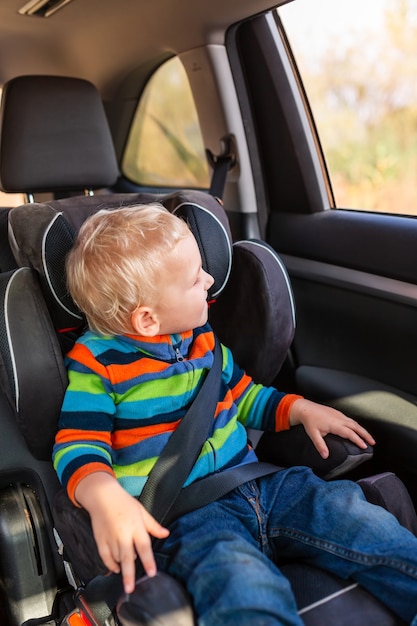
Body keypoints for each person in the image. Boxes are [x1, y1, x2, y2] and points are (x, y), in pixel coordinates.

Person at [53, 203, 417, 626]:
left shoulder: (200, 339)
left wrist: (298, 409)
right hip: (190, 520)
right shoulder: (98, 366)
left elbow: (243, 396)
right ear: (147, 319)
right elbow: (77, 444)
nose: (209, 280)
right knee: (243, 589)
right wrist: (105, 497)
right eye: (194, 280)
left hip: (265, 485)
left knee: (362, 525)